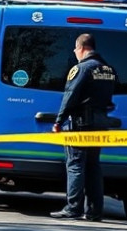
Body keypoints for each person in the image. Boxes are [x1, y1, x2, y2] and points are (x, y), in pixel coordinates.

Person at [50, 33, 117, 221]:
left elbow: (70, 96)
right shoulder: (108, 69)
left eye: (75, 49)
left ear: (81, 48)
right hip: (100, 123)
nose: (75, 53)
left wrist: (59, 121)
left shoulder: (82, 69)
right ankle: (95, 211)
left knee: (75, 163)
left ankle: (73, 208)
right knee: (94, 166)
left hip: (81, 123)